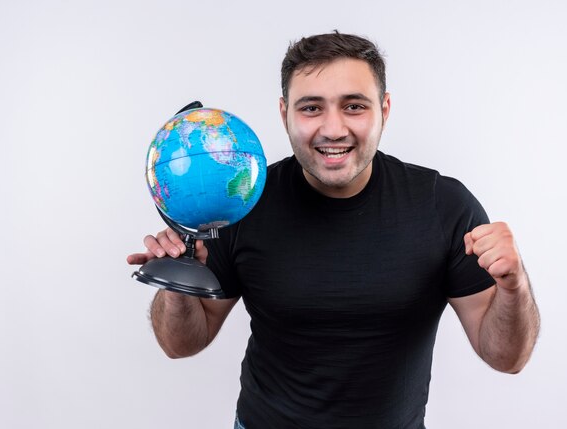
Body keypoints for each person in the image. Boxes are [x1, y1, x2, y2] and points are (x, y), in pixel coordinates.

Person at [127, 31, 540, 429]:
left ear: (385, 109)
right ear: (284, 113)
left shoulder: (443, 205)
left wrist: (514, 285)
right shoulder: (239, 203)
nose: (333, 128)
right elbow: (181, 345)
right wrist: (178, 284)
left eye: (354, 106)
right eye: (311, 108)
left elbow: (507, 358)